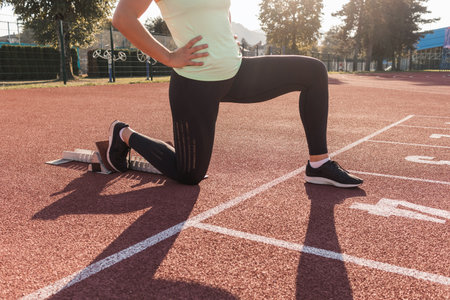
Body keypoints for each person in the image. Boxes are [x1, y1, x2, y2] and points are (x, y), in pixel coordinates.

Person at [108, 0, 363, 188]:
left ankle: (318, 164)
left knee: (313, 72)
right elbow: (123, 17)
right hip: (195, 85)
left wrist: (225, 37)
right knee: (190, 175)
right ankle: (124, 134)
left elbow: (220, 12)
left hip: (237, 72)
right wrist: (168, 56)